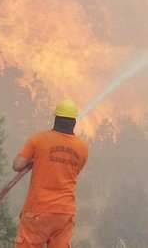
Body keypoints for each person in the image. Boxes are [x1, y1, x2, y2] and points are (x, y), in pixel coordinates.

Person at [11, 99, 90, 248]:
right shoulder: (83, 148)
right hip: (65, 213)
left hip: (38, 210)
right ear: (74, 122)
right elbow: (73, 172)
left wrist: (36, 158)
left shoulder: (40, 139)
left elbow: (17, 165)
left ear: (56, 119)